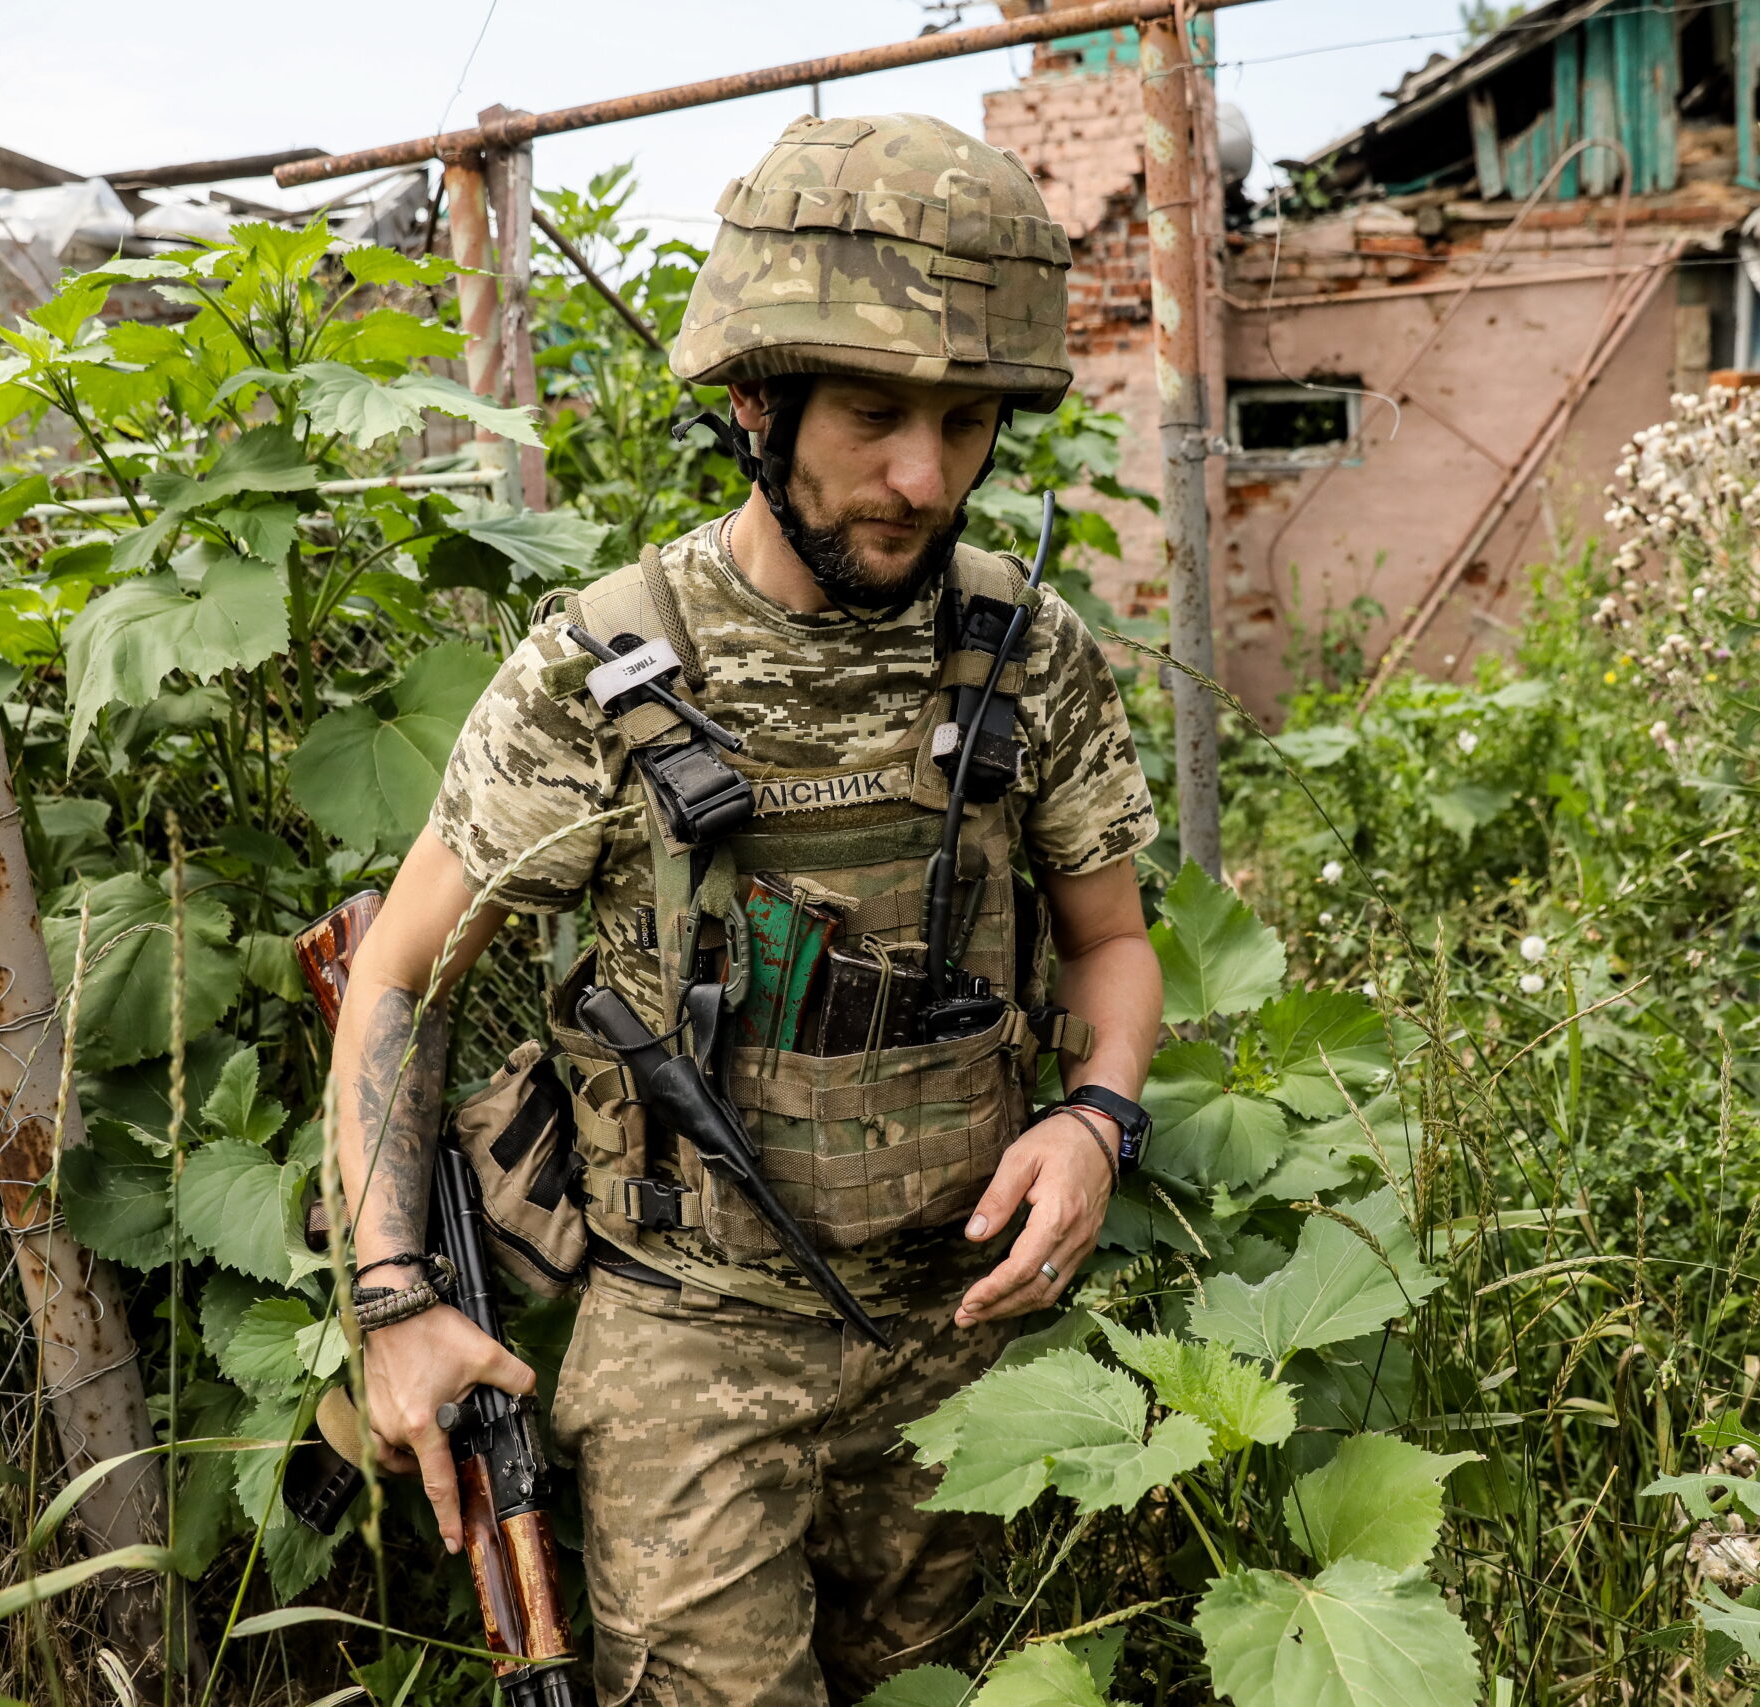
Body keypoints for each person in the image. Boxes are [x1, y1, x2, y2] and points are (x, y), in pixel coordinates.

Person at [323, 111, 1161, 1706]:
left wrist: (1097, 1118)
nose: (923, 475)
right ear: (757, 401)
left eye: (968, 420)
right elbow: (399, 981)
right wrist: (393, 1301)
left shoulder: (1023, 648)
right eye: (872, 413)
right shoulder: (602, 669)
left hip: (957, 1329)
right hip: (695, 1347)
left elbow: (1112, 945)